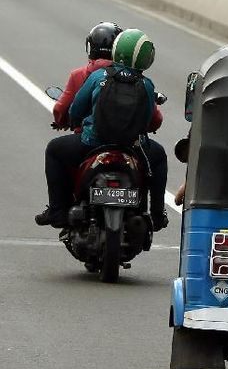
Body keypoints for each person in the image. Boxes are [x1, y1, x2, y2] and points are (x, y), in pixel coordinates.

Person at [36, 28, 168, 230]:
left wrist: (75, 122)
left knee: (54, 150)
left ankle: (57, 211)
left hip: (93, 142)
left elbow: (77, 108)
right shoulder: (147, 85)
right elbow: (152, 120)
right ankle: (157, 215)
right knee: (159, 157)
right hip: (132, 147)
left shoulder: (99, 76)